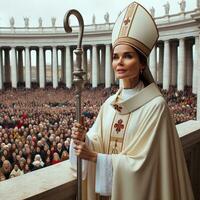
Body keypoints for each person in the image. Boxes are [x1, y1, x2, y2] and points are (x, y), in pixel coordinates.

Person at [69, 2, 194, 200]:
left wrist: (93, 157)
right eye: (115, 56)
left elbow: (145, 166)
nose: (119, 62)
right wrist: (84, 139)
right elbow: (98, 142)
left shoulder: (156, 106)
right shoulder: (109, 105)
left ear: (142, 63)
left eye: (128, 56)